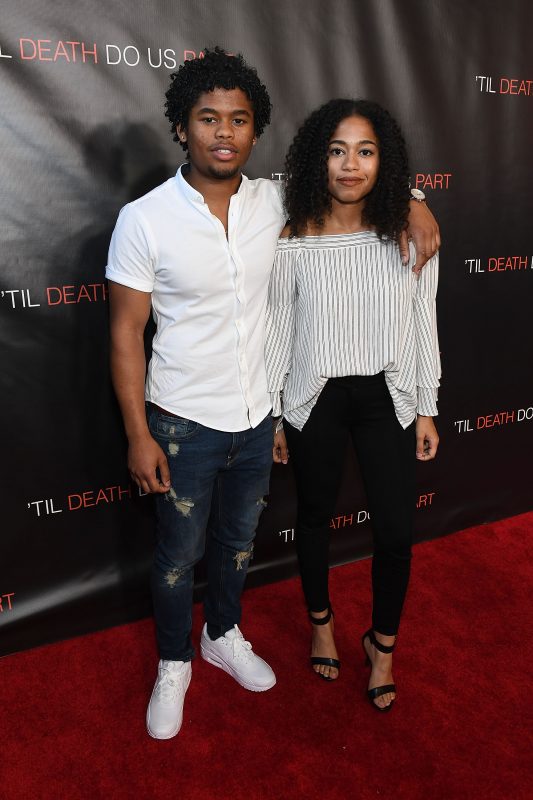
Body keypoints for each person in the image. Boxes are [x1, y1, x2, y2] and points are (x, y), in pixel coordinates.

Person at [107, 47, 440, 740]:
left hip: (258, 416)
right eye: (207, 118)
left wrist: (414, 202)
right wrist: (138, 434)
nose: (223, 132)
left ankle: (221, 634)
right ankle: (174, 662)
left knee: (237, 544)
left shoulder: (274, 200)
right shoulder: (144, 219)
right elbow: (125, 334)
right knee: (176, 556)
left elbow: (353, 175)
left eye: (238, 119)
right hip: (181, 420)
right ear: (181, 127)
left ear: (254, 130)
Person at [265, 99, 441, 712]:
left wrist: (426, 405)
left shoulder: (409, 234)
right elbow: (279, 329)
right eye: (337, 151)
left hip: (387, 396)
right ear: (318, 159)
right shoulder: (291, 237)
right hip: (313, 398)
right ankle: (321, 622)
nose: (350, 164)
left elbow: (423, 323)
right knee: (314, 515)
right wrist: (276, 412)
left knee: (395, 530)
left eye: (365, 152)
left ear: (383, 162)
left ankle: (381, 646)